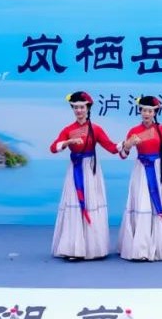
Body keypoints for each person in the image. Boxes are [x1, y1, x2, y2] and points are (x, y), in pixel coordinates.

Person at [48, 90, 119, 260]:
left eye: (82, 107)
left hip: (91, 170)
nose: (79, 110)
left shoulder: (95, 129)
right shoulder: (68, 130)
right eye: (75, 107)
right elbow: (53, 148)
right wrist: (68, 142)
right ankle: (73, 248)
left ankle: (93, 248)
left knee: (91, 203)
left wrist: (127, 144)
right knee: (74, 204)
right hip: (75, 170)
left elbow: (112, 148)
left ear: (88, 108)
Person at [118, 95, 162, 261]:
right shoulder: (133, 131)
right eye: (144, 110)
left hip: (156, 170)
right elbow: (123, 154)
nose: (147, 114)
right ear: (140, 111)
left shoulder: (161, 129)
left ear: (155, 112)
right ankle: (140, 248)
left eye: (150, 111)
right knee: (142, 202)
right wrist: (128, 145)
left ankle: (159, 245)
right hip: (141, 171)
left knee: (156, 204)